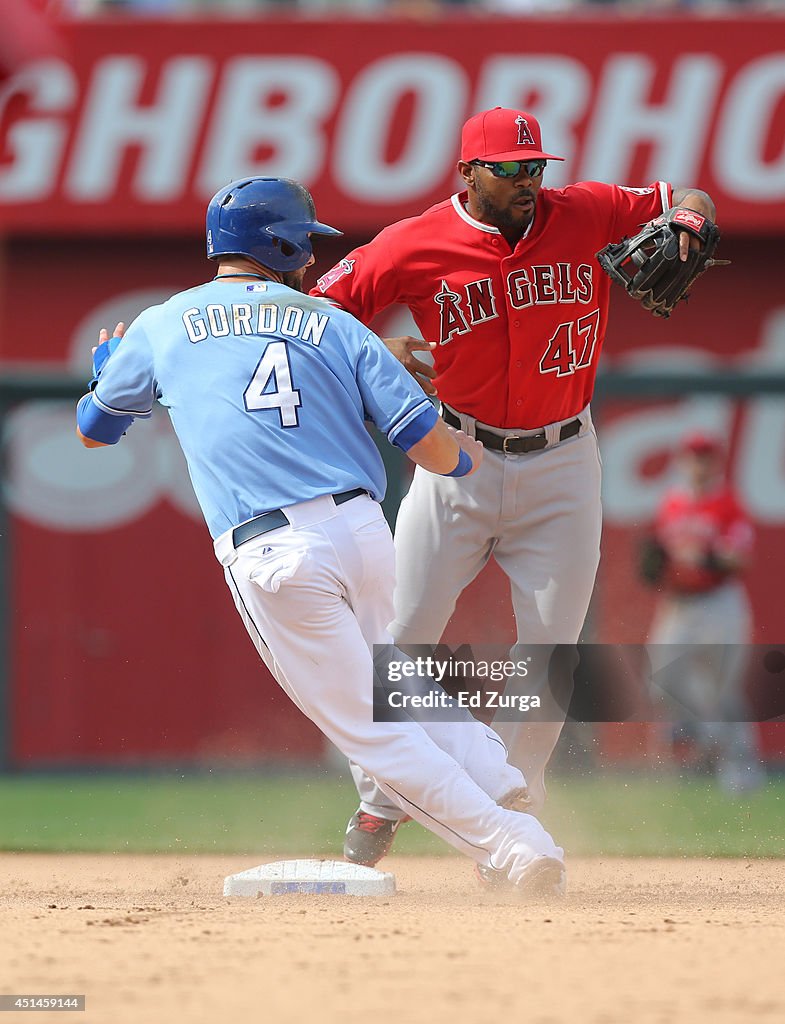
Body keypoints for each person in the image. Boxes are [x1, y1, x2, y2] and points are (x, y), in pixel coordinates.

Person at [75, 175, 567, 896]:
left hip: (275, 551)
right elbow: (435, 451)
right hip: (364, 533)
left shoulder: (161, 323)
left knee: (374, 731)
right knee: (403, 688)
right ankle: (496, 777)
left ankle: (515, 846)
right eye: (303, 242)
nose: (309, 258)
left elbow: (94, 431)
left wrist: (102, 378)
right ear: (274, 243)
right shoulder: (335, 325)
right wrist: (465, 456)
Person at [311, 105, 718, 865]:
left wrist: (691, 222)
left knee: (552, 653)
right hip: (454, 458)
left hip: (564, 457)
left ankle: (515, 821)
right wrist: (376, 349)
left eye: (536, 167)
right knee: (404, 641)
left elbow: (685, 196)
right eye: (511, 169)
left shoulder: (585, 210)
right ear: (468, 171)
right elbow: (314, 314)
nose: (530, 181)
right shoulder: (412, 242)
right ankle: (379, 803)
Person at [641, 431, 765, 794]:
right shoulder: (671, 503)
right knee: (661, 682)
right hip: (678, 604)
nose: (698, 463)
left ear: (716, 463)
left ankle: (740, 771)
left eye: (705, 456)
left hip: (719, 603)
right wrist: (656, 564)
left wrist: (705, 557)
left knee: (723, 690)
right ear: (682, 461)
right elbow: (658, 555)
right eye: (693, 456)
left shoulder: (728, 504)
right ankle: (706, 734)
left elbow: (741, 556)